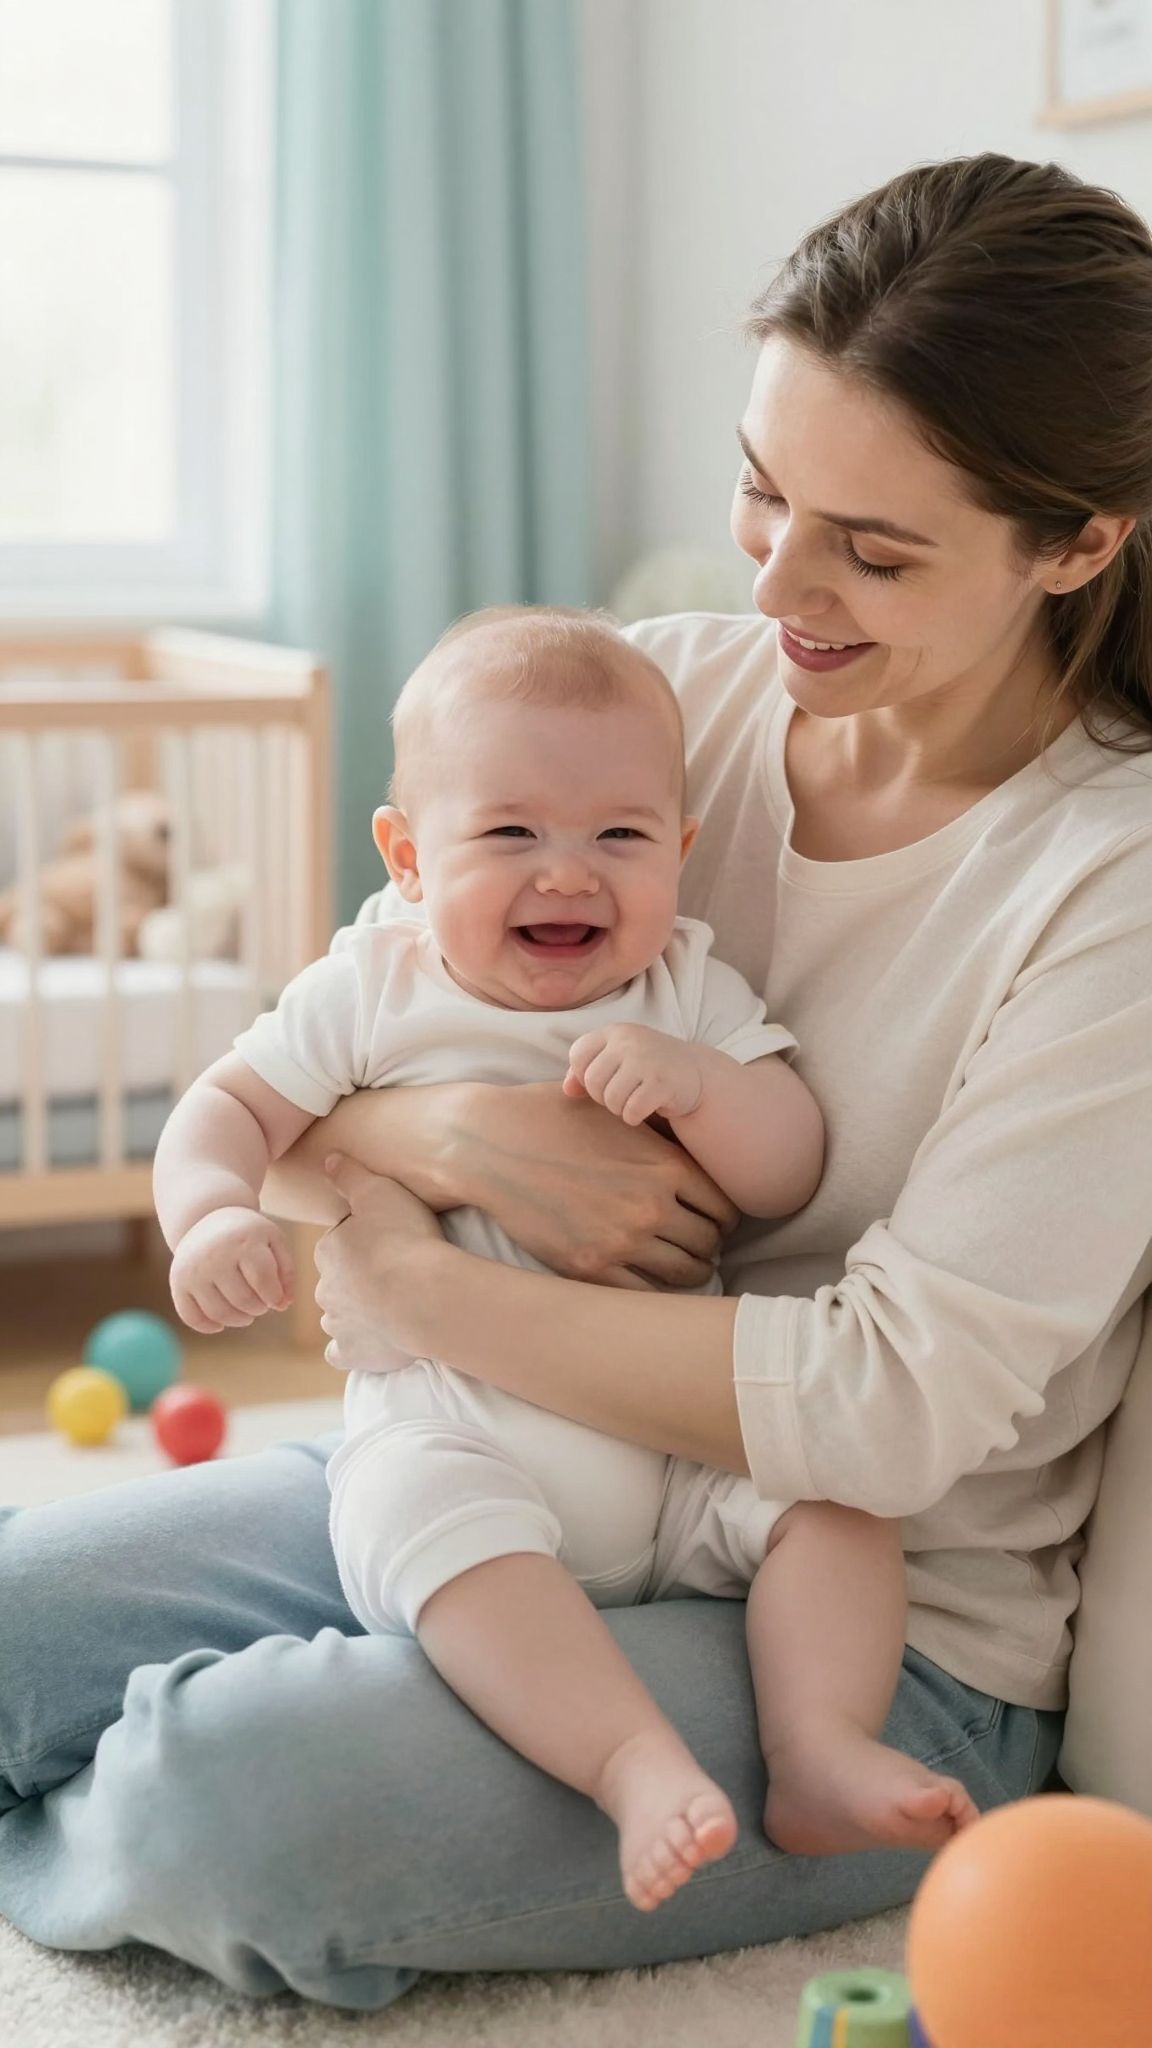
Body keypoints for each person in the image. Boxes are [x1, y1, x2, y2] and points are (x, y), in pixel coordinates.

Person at [2, 150, 1151, 2010]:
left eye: (871, 549)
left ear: (1078, 543)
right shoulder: (665, 695)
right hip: (502, 1457)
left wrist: (419, 1281)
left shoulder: (1112, 885)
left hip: (861, 1618)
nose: (779, 583)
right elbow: (329, 1054)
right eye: (763, 492)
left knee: (217, 1791)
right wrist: (454, 1141)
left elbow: (883, 1416)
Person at [151, 604, 976, 1916]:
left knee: (837, 1508)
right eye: (511, 835)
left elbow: (789, 1166)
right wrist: (208, 1216)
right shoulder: (373, 985)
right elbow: (228, 1113)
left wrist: (702, 1085)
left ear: (681, 850)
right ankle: (628, 1759)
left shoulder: (683, 987)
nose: (570, 875)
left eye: (620, 838)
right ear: (408, 858)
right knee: (432, 1525)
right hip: (462, 1440)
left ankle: (817, 1745)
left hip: (680, 1456)